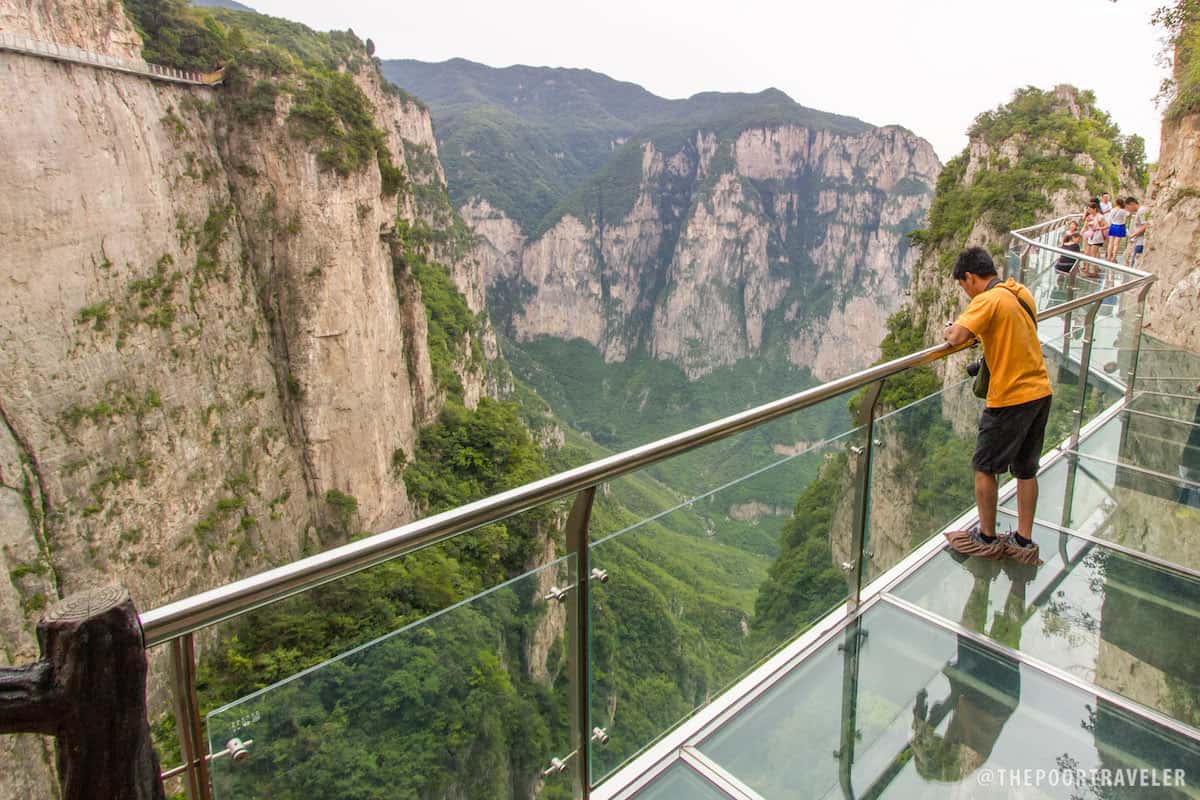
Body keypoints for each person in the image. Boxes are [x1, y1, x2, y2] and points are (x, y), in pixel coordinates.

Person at [942, 247, 1052, 566]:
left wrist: (951, 328)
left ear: (971, 278)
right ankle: (1023, 539)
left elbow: (957, 335)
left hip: (1011, 396)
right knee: (1026, 469)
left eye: (964, 286)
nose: (966, 293)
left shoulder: (987, 300)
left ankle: (987, 538)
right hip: (1040, 391)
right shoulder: (1019, 291)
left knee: (984, 466)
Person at [1125, 197, 1149, 268]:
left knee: (1134, 265)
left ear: (1132, 204)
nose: (1128, 210)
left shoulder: (1141, 211)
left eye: (1128, 207)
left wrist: (1133, 235)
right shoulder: (1141, 211)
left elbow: (1146, 225)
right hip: (1138, 241)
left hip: (1140, 242)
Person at [1105, 197, 1128, 263]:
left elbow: (1110, 219)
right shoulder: (1123, 211)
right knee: (1116, 244)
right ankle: (1114, 257)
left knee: (1110, 243)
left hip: (1113, 226)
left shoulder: (1112, 210)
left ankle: (1108, 257)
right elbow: (1126, 217)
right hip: (1120, 226)